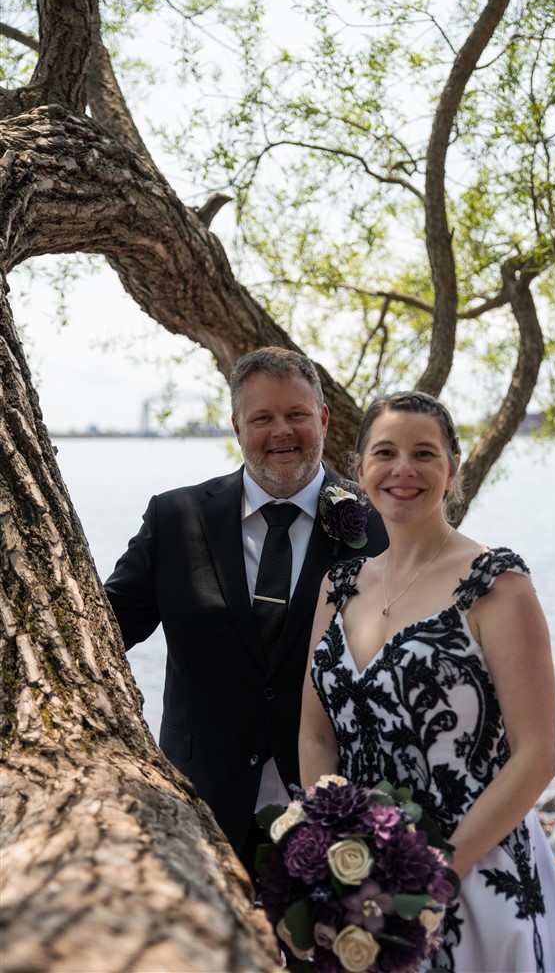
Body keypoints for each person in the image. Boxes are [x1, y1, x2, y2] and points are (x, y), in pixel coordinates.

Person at [299, 391, 555, 972]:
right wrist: (332, 848)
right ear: (360, 468)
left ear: (452, 469)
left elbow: (538, 754)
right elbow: (316, 736)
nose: (403, 469)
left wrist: (440, 873)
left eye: (424, 453)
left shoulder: (497, 584)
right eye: (385, 452)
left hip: (477, 873)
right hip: (360, 878)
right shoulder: (338, 585)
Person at [104, 347, 387, 879]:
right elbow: (98, 634)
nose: (282, 431)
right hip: (198, 807)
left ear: (323, 419)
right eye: (262, 418)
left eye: (297, 415)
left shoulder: (377, 528)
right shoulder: (175, 519)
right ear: (237, 426)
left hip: (335, 812)